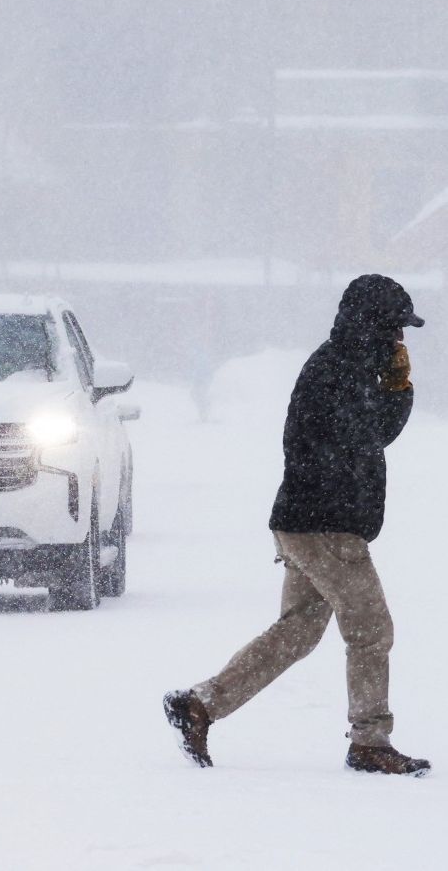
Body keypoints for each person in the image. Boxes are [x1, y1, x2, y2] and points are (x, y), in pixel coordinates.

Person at [163, 274, 430, 776]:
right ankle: (370, 741)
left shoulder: (341, 366)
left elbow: (364, 436)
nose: (400, 340)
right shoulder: (339, 373)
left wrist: (391, 387)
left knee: (299, 632)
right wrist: (399, 389)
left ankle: (200, 704)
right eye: (395, 328)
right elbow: (371, 435)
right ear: (372, 325)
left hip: (307, 521)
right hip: (327, 526)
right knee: (372, 630)